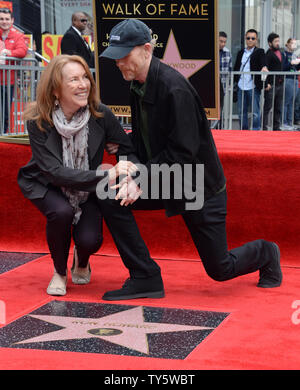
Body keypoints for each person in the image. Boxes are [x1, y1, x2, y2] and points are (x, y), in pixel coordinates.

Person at [99, 19, 282, 300]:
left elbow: (183, 154)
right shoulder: (138, 83)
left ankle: (267, 252)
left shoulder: (175, 89)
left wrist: (141, 179)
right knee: (107, 194)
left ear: (147, 49)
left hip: (197, 184)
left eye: (124, 55)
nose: (118, 63)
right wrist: (124, 151)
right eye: (115, 56)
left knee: (220, 269)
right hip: (170, 177)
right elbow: (146, 137)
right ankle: (145, 276)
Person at [17, 54, 164, 298]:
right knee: (61, 212)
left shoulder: (100, 114)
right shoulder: (38, 121)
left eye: (85, 77)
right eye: (73, 79)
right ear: (55, 90)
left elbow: (126, 148)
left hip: (88, 186)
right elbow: (53, 171)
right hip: (47, 182)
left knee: (90, 240)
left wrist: (131, 177)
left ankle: (81, 258)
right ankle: (59, 272)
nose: (83, 84)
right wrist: (106, 175)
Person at [233, 29, 267, 130]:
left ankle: (256, 131)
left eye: (253, 38)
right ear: (245, 39)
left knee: (255, 112)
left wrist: (264, 67)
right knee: (241, 111)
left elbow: (263, 62)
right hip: (241, 85)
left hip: (253, 85)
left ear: (256, 40)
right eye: (248, 38)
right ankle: (244, 131)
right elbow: (236, 67)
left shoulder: (260, 52)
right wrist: (235, 80)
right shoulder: (240, 52)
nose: (250, 40)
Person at [0, 8, 27, 133]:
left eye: (7, 19)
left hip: (7, 82)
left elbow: (22, 51)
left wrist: (8, 52)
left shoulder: (17, 35)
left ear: (12, 21)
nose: (4, 22)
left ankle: (2, 138)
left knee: (4, 113)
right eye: (1, 19)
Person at [263, 33, 284, 131]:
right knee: (268, 107)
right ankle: (265, 127)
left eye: (278, 41)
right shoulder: (269, 53)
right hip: (271, 84)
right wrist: (266, 83)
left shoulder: (280, 52)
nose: (277, 43)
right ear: (270, 43)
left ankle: (276, 127)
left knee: (278, 107)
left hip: (280, 83)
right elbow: (265, 68)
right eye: (275, 41)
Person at [281, 38, 300, 129]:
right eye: (292, 43)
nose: (294, 45)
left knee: (292, 102)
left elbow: (297, 67)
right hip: (288, 79)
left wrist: (298, 62)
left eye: (295, 43)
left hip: (295, 79)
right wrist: (291, 63)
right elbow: (283, 67)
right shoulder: (284, 54)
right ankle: (284, 122)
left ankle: (290, 122)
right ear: (287, 44)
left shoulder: (295, 55)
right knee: (286, 102)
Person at [219, 31, 232, 128]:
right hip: (210, 84)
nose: (223, 44)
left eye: (224, 42)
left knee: (221, 108)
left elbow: (230, 69)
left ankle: (220, 127)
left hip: (222, 84)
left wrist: (230, 84)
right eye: (220, 41)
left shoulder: (227, 52)